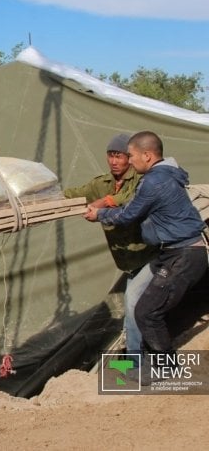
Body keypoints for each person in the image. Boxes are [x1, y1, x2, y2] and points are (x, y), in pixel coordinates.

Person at [85, 131, 207, 365]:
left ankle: (165, 368)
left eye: (130, 156)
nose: (128, 161)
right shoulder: (165, 175)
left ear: (148, 156)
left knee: (147, 312)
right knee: (137, 303)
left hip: (184, 255)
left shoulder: (153, 181)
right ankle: (137, 361)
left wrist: (100, 213)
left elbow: (128, 214)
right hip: (172, 252)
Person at [64, 133, 158, 358]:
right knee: (134, 310)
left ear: (130, 158)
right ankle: (133, 360)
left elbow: (130, 198)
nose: (114, 161)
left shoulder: (142, 179)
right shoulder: (101, 183)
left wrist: (104, 204)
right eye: (110, 156)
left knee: (135, 305)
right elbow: (74, 195)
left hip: (151, 255)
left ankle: (138, 363)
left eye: (120, 156)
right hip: (130, 262)